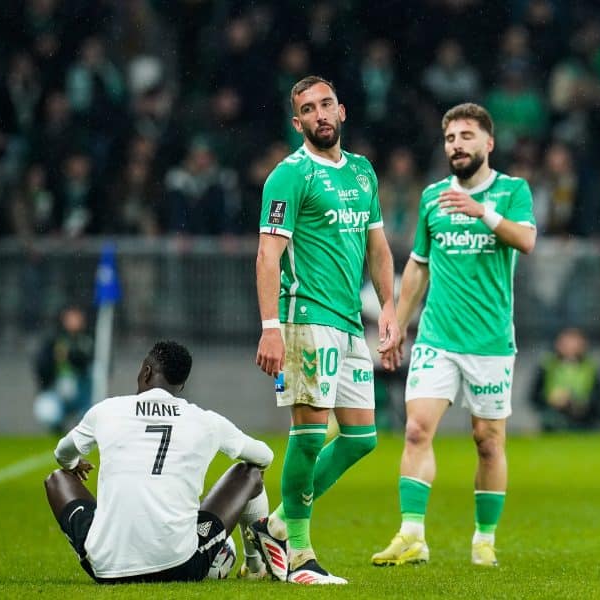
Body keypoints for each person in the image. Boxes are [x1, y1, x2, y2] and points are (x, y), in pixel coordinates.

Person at [370, 102, 536, 568]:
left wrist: (480, 212)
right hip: (437, 338)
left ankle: (484, 538)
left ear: (488, 143)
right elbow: (418, 268)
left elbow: (526, 240)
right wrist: (398, 326)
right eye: (450, 138)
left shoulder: (512, 191)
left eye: (466, 136)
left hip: (489, 342)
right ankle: (412, 535)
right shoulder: (432, 198)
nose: (456, 145)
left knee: (488, 439)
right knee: (417, 429)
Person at [250, 75, 398, 585]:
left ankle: (274, 525)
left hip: (350, 323)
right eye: (309, 109)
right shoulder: (289, 176)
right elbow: (268, 255)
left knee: (361, 439)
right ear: (298, 123)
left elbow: (378, 248)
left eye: (327, 104)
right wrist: (271, 327)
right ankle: (300, 557)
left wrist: (391, 312)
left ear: (342, 110)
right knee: (309, 436)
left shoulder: (362, 172)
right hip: (304, 318)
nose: (320, 114)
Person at [44, 341, 274, 583]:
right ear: (181, 385)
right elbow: (265, 456)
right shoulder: (206, 421)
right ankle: (254, 565)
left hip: (106, 569)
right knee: (249, 473)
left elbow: (62, 453)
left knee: (57, 479)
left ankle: (106, 546)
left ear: (146, 371)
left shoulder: (107, 410)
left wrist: (72, 465)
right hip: (180, 566)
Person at [529, 327, 600, 431]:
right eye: (566, 343)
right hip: (556, 414)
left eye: (574, 343)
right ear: (558, 344)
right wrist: (550, 399)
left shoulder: (592, 366)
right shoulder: (546, 365)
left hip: (586, 415)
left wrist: (579, 403)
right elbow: (534, 396)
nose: (570, 347)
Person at [33, 305, 94, 434]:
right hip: (57, 392)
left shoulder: (89, 340)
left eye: (76, 318)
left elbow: (90, 362)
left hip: (83, 393)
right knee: (47, 411)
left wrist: (70, 355)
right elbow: (41, 368)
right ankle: (57, 426)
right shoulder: (53, 340)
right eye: (70, 318)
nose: (74, 322)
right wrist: (54, 359)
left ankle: (84, 425)